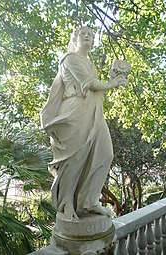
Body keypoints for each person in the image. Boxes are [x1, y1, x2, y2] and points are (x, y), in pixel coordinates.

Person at [41, 26, 129, 219]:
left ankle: (88, 202)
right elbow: (91, 85)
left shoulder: (90, 64)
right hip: (74, 111)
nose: (88, 36)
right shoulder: (70, 59)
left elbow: (95, 88)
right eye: (83, 34)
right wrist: (112, 84)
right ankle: (66, 205)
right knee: (75, 160)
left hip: (93, 112)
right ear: (75, 38)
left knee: (104, 154)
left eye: (91, 34)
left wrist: (113, 79)